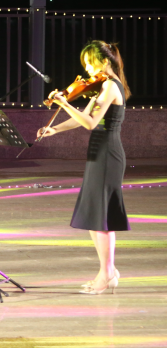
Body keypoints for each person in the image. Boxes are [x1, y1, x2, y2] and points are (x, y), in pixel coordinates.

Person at [37, 40, 131, 295]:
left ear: (105, 61)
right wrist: (55, 129)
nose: (87, 69)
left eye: (90, 63)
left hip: (108, 154)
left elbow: (90, 123)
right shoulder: (102, 86)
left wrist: (64, 103)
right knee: (94, 217)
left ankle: (107, 274)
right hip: (99, 153)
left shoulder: (111, 86)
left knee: (102, 218)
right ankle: (107, 271)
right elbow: (81, 119)